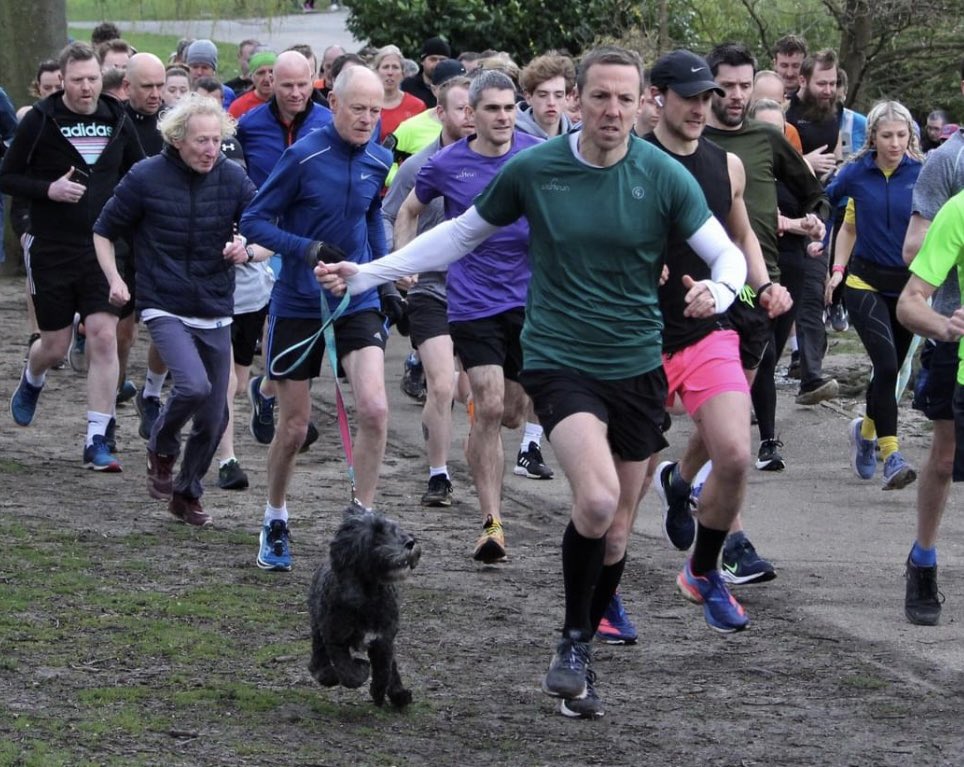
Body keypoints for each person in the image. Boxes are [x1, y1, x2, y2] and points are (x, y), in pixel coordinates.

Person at [316, 46, 751, 720]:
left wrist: (721, 290)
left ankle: (580, 645)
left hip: (636, 364)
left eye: (623, 99)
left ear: (643, 104)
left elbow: (724, 252)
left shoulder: (663, 177)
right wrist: (367, 271)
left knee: (614, 534)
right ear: (575, 101)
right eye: (598, 97)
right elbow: (459, 234)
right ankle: (574, 644)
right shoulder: (536, 168)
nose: (611, 110)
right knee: (599, 500)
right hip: (559, 358)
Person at [644, 51, 793, 592]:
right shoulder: (634, 158)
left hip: (707, 323)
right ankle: (598, 599)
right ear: (657, 97)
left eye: (707, 96)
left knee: (732, 447)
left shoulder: (725, 164)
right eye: (690, 96)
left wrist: (765, 283)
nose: (702, 107)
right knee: (622, 487)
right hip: (636, 333)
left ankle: (713, 555)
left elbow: (741, 233)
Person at [239, 66, 392, 572]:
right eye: (358, 109)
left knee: (374, 409)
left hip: (355, 299)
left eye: (376, 110)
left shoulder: (378, 156)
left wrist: (377, 273)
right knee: (295, 428)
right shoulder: (304, 154)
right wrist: (307, 252)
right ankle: (275, 516)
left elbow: (371, 213)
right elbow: (255, 221)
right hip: (300, 304)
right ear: (334, 103)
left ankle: (362, 524)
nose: (368, 119)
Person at [395, 70, 544, 561]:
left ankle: (479, 449)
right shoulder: (446, 163)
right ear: (471, 114)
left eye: (508, 108)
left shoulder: (534, 155)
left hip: (529, 301)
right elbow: (408, 211)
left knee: (514, 413)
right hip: (473, 301)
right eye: (492, 109)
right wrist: (404, 262)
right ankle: (491, 524)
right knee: (489, 400)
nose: (502, 117)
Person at [93, 94, 261, 526]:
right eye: (201, 141)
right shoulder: (146, 176)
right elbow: (104, 231)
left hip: (216, 305)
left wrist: (247, 249)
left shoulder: (233, 178)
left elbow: (265, 232)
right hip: (163, 301)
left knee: (215, 415)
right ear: (177, 139)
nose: (210, 150)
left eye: (216, 140)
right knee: (192, 385)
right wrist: (114, 279)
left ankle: (187, 492)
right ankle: (161, 445)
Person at [0, 41, 144, 470]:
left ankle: (97, 438)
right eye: (78, 80)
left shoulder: (116, 119)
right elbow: (6, 175)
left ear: (104, 79)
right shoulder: (42, 120)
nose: (86, 88)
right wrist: (49, 190)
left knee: (103, 335)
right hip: (52, 246)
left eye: (93, 79)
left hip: (102, 247)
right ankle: (34, 374)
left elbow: (140, 172)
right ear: (62, 80)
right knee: (57, 344)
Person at [703, 41, 830, 471]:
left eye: (744, 86)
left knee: (760, 360)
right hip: (702, 281)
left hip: (762, 275)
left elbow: (815, 194)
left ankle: (748, 445)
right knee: (720, 374)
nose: (737, 95)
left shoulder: (766, 138)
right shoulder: (690, 138)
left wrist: (816, 220)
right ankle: (734, 454)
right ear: (709, 87)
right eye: (726, 87)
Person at [382, 76, 474, 507]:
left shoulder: (503, 164)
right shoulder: (420, 166)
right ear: (441, 113)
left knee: (466, 393)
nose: (471, 116)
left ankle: (435, 427)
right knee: (441, 385)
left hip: (479, 295)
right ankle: (439, 474)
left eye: (477, 107)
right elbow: (389, 216)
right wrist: (399, 265)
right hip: (430, 290)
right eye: (462, 109)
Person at [824, 100, 923, 490]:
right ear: (874, 137)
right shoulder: (855, 174)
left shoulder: (922, 173)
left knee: (895, 369)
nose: (895, 143)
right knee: (884, 365)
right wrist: (833, 268)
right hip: (863, 282)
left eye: (901, 135)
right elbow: (835, 213)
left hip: (909, 286)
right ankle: (891, 454)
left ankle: (864, 433)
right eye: (887, 136)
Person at [515, 52, 577, 139]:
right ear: (528, 97)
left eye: (558, 95)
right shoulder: (510, 139)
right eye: (543, 95)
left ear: (567, 97)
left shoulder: (578, 140)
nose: (551, 103)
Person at [373, 44, 427, 141]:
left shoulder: (417, 106)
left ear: (403, 73)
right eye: (385, 67)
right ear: (376, 72)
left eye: (395, 67)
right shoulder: (367, 103)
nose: (390, 72)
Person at [401, 36, 451, 108]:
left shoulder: (453, 87)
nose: (438, 64)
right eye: (433, 59)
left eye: (442, 60)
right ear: (422, 61)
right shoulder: (408, 86)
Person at [185, 40, 236, 109]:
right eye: (195, 67)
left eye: (205, 67)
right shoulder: (181, 91)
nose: (199, 72)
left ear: (213, 69)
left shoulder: (227, 94)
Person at [228, 49, 276, 118]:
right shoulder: (239, 106)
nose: (267, 78)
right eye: (261, 73)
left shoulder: (286, 103)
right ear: (251, 77)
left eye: (271, 71)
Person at [771, 34, 807, 100]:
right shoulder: (763, 97)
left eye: (796, 66)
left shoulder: (815, 100)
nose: (789, 73)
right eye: (784, 66)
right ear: (774, 64)